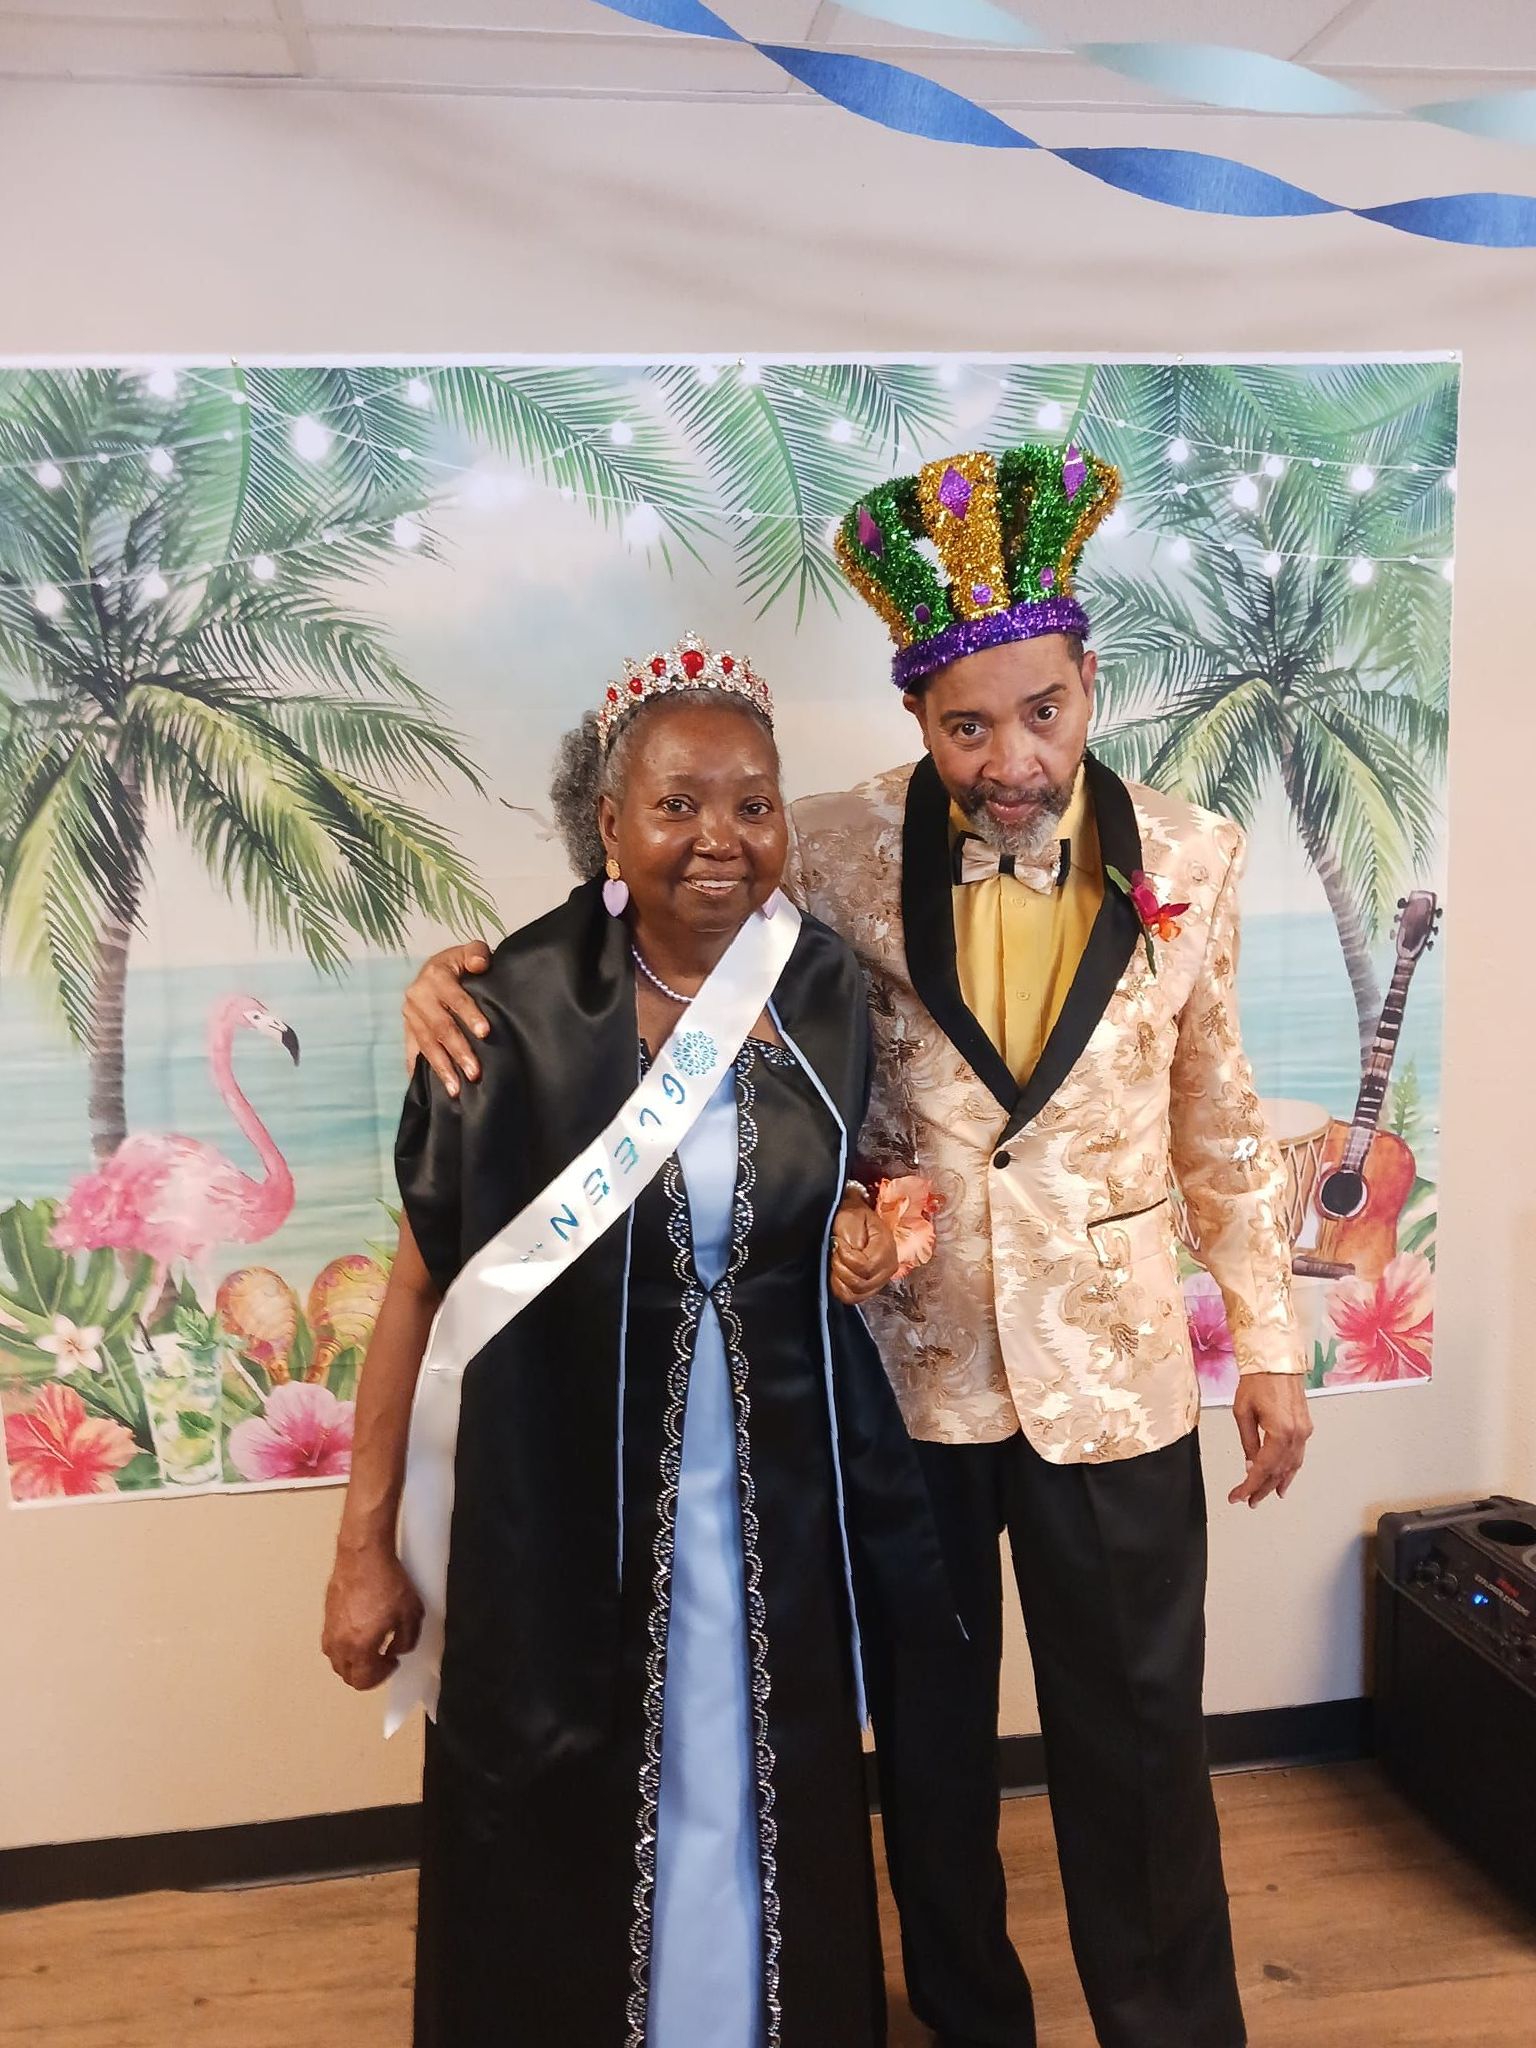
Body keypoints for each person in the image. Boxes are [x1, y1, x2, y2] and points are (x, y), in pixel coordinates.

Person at [400, 443, 1315, 2048]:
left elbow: (1220, 1122)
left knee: (1143, 1755)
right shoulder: (816, 848)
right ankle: (969, 2020)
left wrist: (1276, 1341)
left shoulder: (1197, 856)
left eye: (1044, 711)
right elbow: (637, 907)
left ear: (1089, 680)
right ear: (916, 720)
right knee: (936, 1758)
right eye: (969, 726)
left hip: (1118, 1383)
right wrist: (455, 972)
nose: (1012, 759)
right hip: (908, 1390)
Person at [323, 634, 956, 2048]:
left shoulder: (826, 995)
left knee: (755, 1781)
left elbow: (816, 1208)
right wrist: (364, 1544)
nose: (720, 840)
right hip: (559, 1516)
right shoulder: (506, 1011)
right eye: (677, 804)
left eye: (752, 802)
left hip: (774, 1509)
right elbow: (422, 1290)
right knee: (557, 1800)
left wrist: (857, 1234)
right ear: (608, 824)